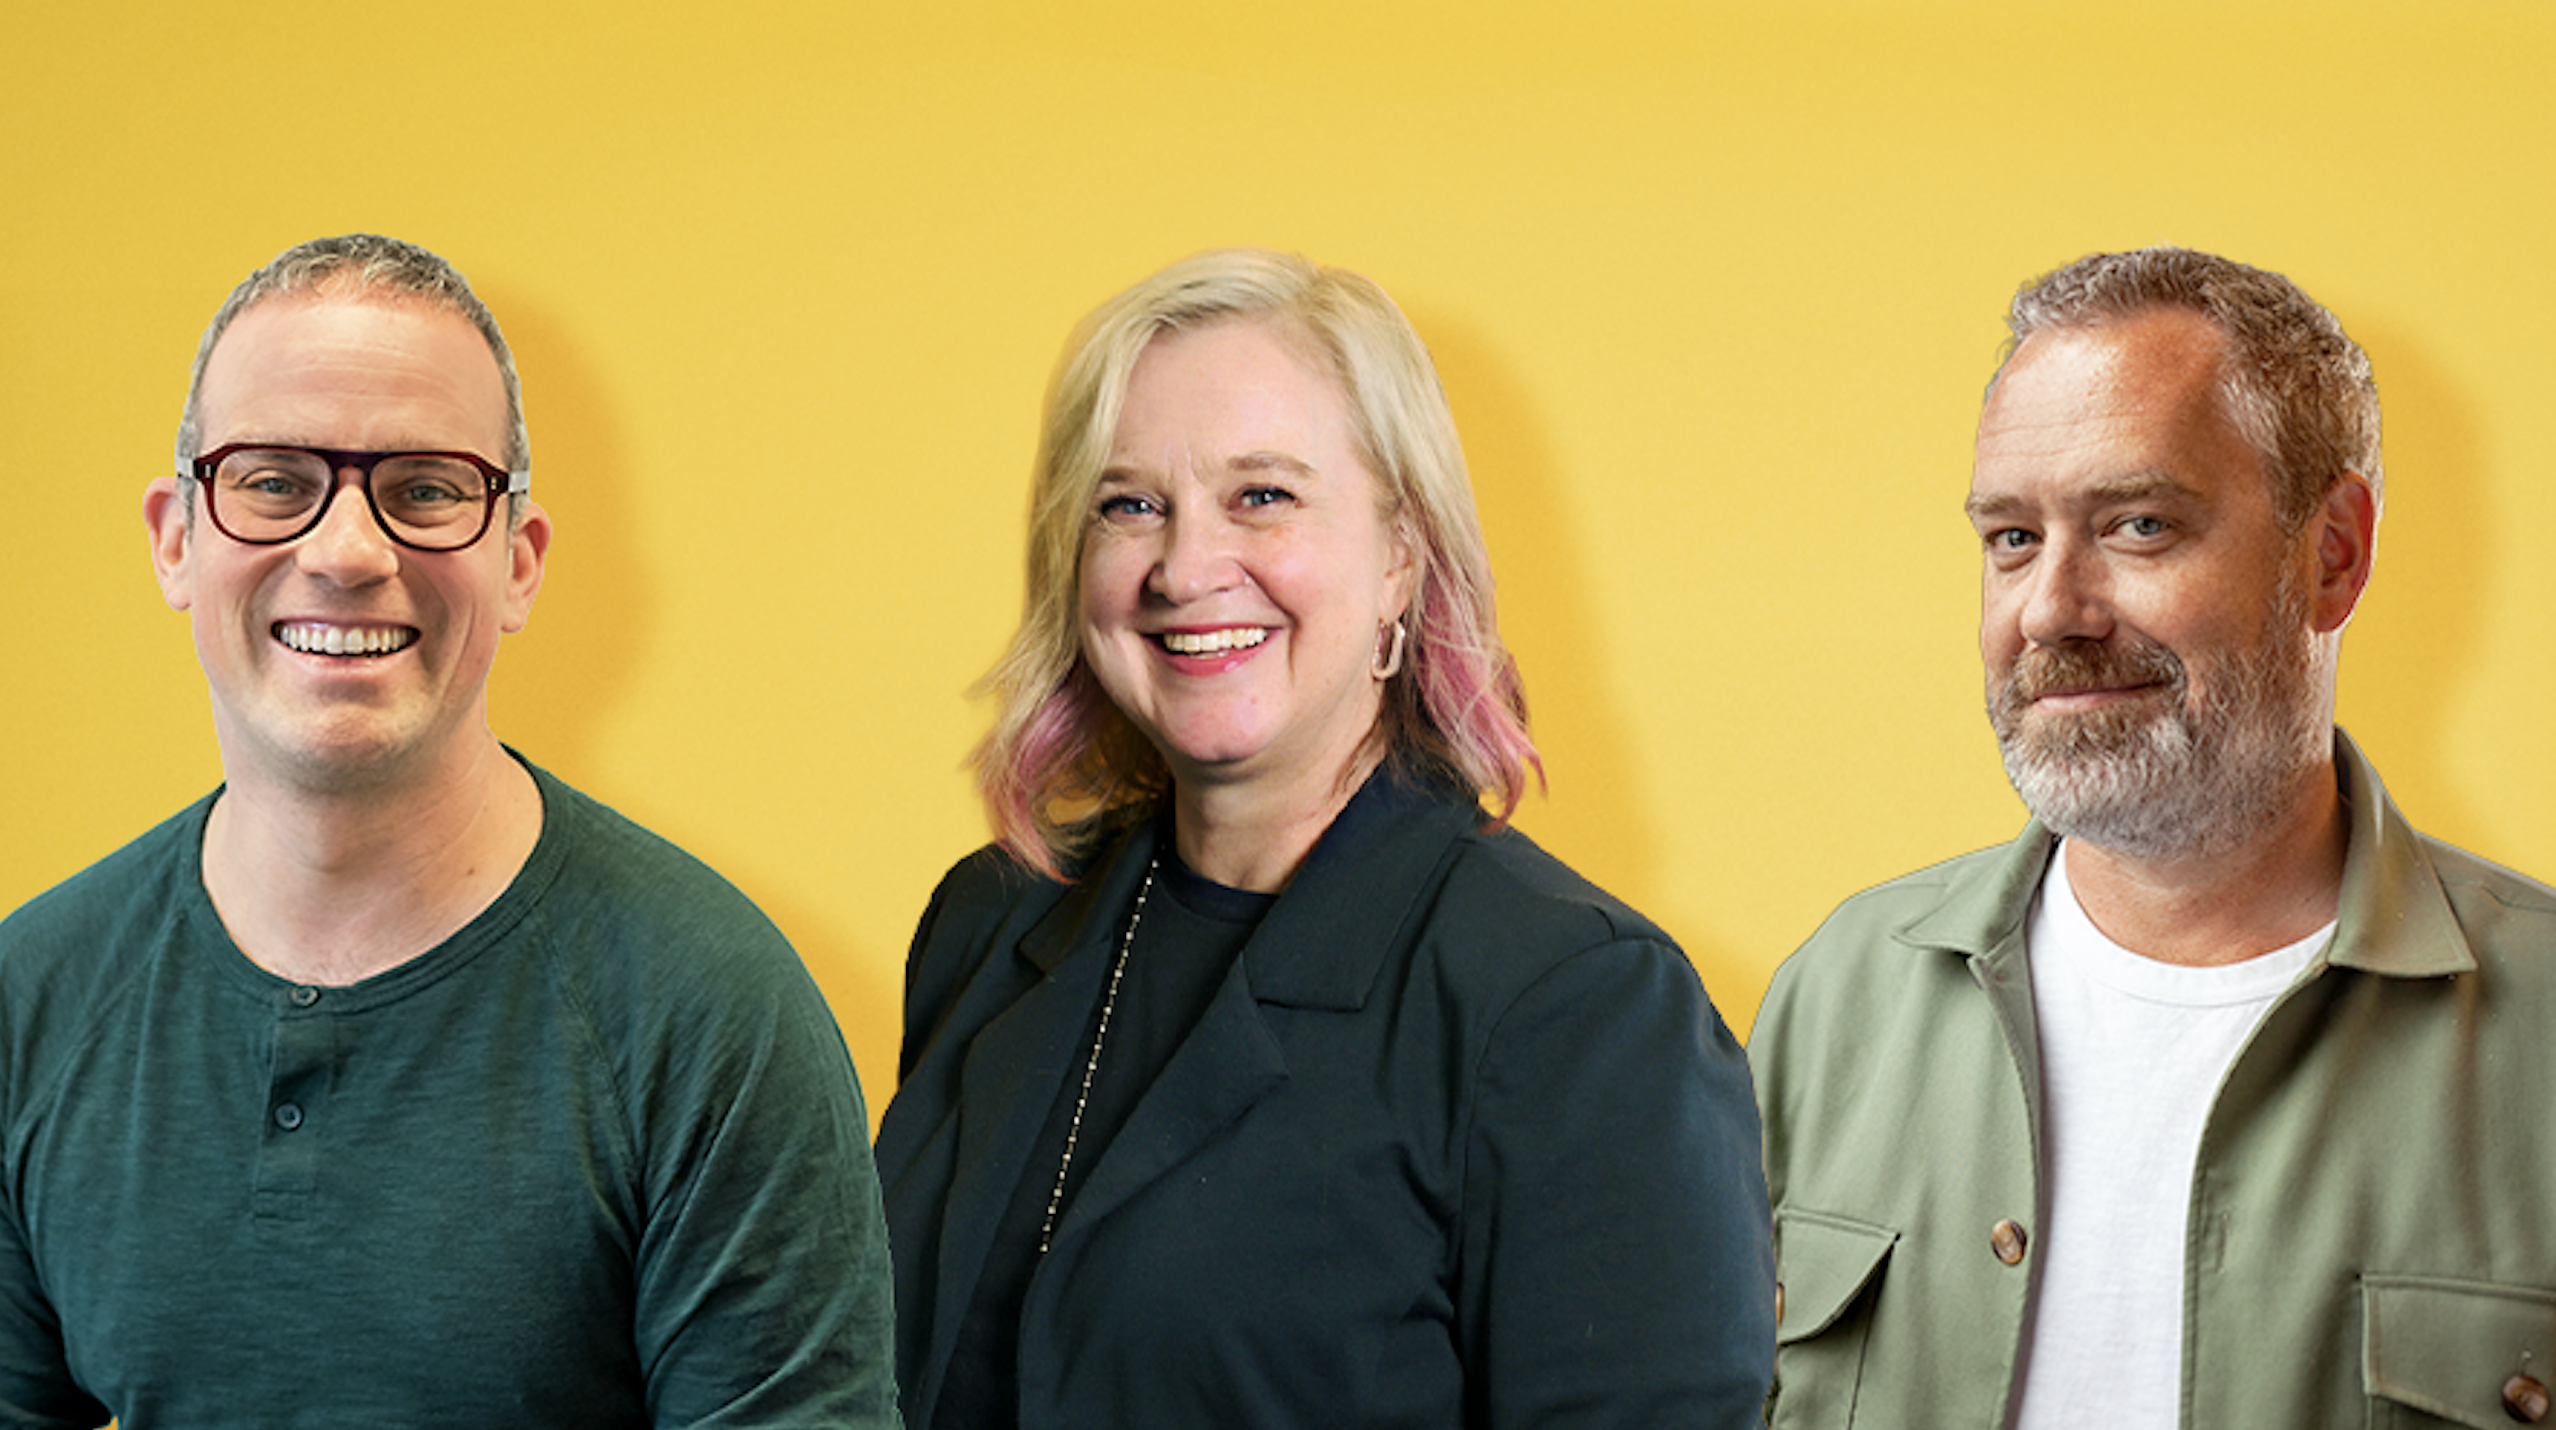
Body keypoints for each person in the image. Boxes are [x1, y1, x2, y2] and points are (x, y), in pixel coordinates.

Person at [0, 234, 901, 1428]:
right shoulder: (32, 999)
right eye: (273, 481)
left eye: (426, 489)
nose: (346, 551)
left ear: (518, 562)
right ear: (177, 539)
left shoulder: (714, 1015)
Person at [873, 248, 1773, 1428]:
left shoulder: (1579, 1007)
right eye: (1129, 504)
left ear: (1402, 553)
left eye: (1262, 495)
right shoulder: (993, 922)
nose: (1186, 567)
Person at [1751, 246, 2556, 1428]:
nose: (2050, 609)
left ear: (2332, 554)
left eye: (2138, 524)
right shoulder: (1837, 996)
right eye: (2011, 538)